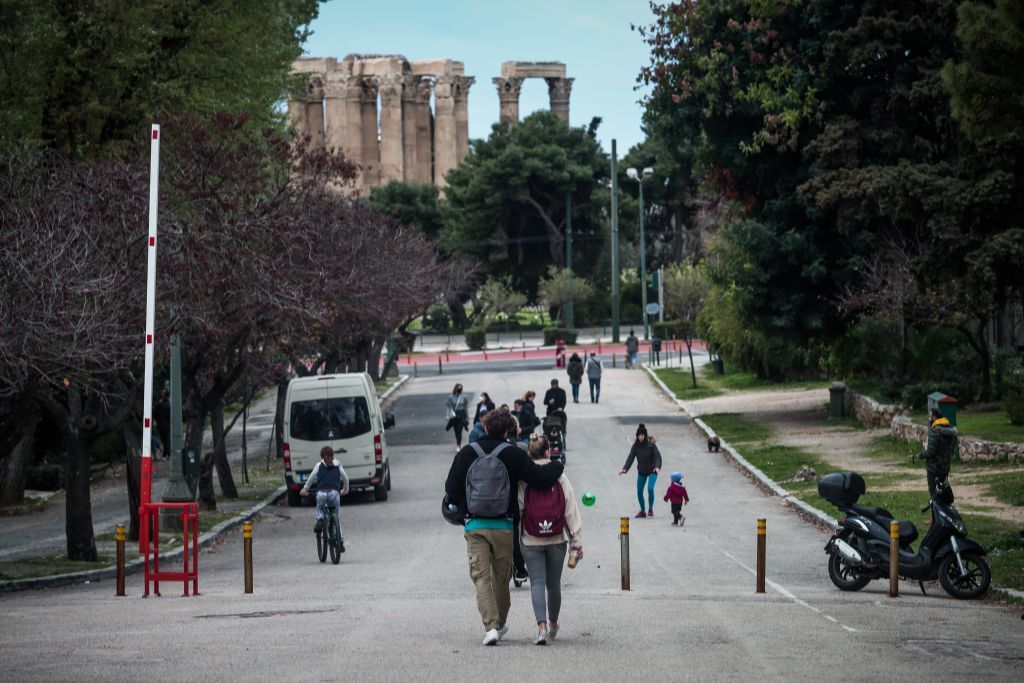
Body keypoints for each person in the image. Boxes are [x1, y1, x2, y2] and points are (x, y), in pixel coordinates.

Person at [444, 411, 564, 646]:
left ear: (485, 427)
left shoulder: (468, 453)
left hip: (475, 524)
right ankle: (498, 623)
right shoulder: (513, 454)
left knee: (480, 576)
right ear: (508, 430)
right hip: (504, 525)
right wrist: (557, 466)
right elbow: (538, 478)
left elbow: (451, 488)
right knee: (502, 577)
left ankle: (490, 627)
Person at [518, 434, 583, 645]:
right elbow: (570, 510)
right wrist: (576, 541)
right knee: (553, 584)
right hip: (556, 538)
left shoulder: (524, 478)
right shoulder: (560, 477)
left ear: (529, 453)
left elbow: (519, 507)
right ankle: (554, 624)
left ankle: (541, 628)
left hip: (530, 539)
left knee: (537, 582)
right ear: (548, 451)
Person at [300, 446, 350, 550]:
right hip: (334, 493)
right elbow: (346, 479)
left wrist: (304, 490)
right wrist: (345, 490)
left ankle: (320, 520)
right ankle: (339, 541)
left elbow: (311, 479)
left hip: (321, 493)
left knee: (320, 508)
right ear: (333, 456)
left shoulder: (318, 465)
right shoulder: (338, 464)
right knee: (336, 516)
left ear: (322, 456)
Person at [619, 424, 662, 517]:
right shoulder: (635, 446)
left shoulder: (651, 445)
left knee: (650, 489)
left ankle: (650, 509)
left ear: (645, 435)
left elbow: (657, 456)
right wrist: (625, 468)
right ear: (637, 436)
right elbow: (630, 458)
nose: (640, 437)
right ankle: (643, 511)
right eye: (639, 435)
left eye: (642, 435)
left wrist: (658, 466)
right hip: (642, 471)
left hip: (652, 470)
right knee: (639, 492)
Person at [913, 408, 958, 496]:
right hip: (945, 467)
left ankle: (936, 509)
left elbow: (931, 451)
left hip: (934, 468)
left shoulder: (934, 431)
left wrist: (919, 455)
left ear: (934, 417)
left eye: (930, 416)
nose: (929, 418)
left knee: (934, 493)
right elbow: (952, 449)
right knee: (942, 492)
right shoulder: (950, 429)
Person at [445, 384, 469, 449]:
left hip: (461, 415)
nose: (459, 390)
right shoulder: (451, 397)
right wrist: (447, 415)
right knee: (456, 430)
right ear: (455, 389)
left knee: (459, 430)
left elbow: (465, 407)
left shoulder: (464, 397)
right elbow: (448, 406)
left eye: (460, 389)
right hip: (454, 416)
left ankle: (458, 445)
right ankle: (458, 442)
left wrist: (467, 416)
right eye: (458, 389)